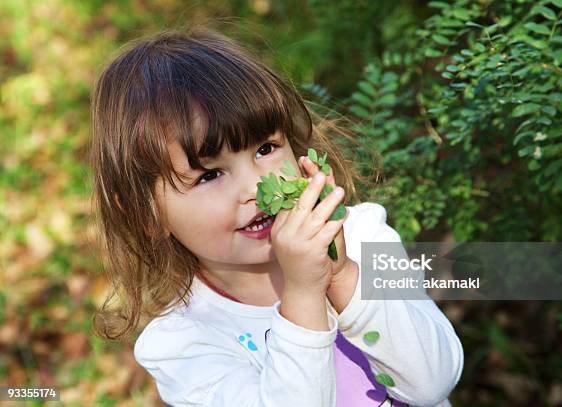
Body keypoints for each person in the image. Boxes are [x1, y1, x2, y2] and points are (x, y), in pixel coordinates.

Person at [90, 25, 463, 407]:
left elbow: (433, 382)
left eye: (266, 148)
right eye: (210, 174)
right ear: (147, 213)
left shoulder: (365, 236)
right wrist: (303, 295)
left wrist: (344, 274)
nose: (256, 186)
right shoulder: (184, 342)